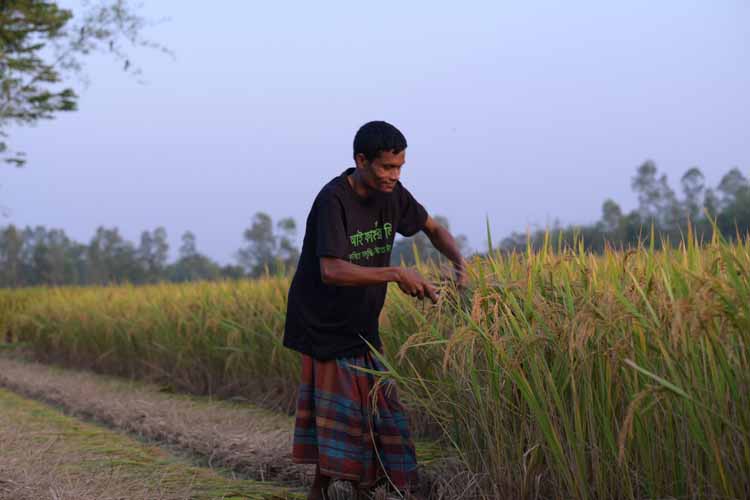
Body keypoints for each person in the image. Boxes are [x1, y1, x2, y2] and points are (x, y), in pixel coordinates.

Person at [283, 120, 468, 500]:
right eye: (387, 167)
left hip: (361, 324)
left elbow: (432, 228)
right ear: (361, 160)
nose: (394, 176)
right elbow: (331, 270)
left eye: (399, 167)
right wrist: (397, 272)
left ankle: (343, 487)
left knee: (381, 407)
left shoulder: (393, 193)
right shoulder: (333, 200)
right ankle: (339, 488)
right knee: (347, 415)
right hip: (322, 324)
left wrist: (460, 264)